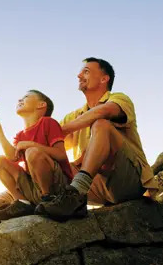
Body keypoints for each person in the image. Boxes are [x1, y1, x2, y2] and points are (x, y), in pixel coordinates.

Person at [34, 57, 159, 221]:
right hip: (96, 188)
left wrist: (62, 130)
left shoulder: (119, 98)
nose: (79, 75)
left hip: (127, 182)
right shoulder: (74, 115)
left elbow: (103, 112)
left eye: (86, 71)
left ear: (104, 78)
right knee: (44, 158)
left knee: (101, 125)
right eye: (80, 72)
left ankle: (76, 192)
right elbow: (45, 140)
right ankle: (26, 201)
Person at [0, 90, 73, 221]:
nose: (20, 100)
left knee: (32, 152)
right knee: (0, 162)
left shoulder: (48, 123)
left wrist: (30, 145)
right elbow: (12, 158)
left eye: (26, 97)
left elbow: (61, 155)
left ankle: (49, 199)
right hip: (34, 189)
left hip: (57, 187)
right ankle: (23, 203)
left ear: (41, 105)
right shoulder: (20, 135)